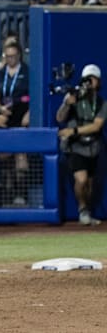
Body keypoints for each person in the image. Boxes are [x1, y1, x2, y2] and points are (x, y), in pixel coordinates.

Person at [56, 64, 105, 225]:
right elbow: (60, 118)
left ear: (98, 82)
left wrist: (74, 131)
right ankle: (82, 210)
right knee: (81, 180)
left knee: (89, 185)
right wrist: (66, 104)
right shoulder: (74, 98)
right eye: (86, 80)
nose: (89, 83)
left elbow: (96, 126)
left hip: (93, 147)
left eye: (93, 80)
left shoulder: (101, 103)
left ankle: (87, 211)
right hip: (76, 147)